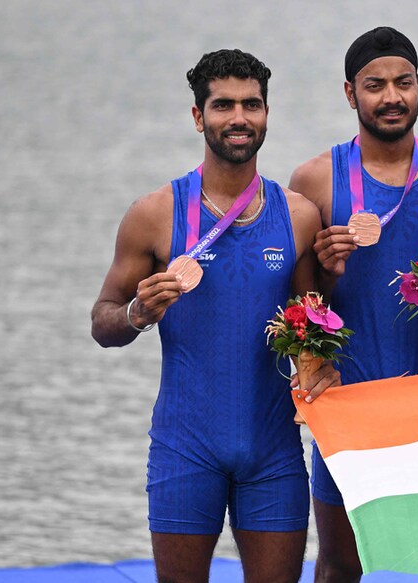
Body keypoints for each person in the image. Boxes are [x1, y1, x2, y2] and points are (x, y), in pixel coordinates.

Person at [90, 49, 338, 583]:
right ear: (199, 117)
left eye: (252, 104)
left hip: (273, 453)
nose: (239, 118)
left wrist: (317, 365)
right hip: (186, 449)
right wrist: (138, 312)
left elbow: (308, 323)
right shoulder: (155, 214)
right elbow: (102, 321)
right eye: (223, 105)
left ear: (267, 114)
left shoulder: (297, 215)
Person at [288, 26, 418, 583]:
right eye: (375, 85)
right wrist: (324, 269)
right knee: (340, 565)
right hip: (349, 403)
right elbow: (299, 306)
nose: (392, 96)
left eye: (404, 82)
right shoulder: (315, 179)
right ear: (351, 94)